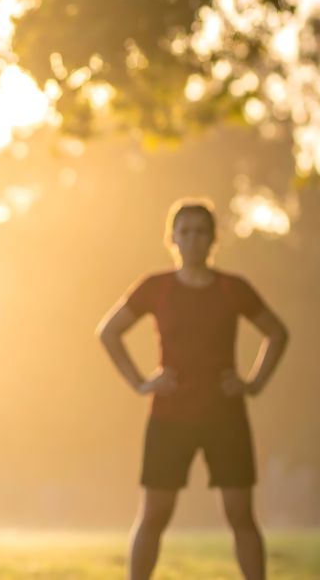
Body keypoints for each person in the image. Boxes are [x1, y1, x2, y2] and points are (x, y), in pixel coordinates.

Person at [96, 198, 289, 580]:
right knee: (154, 514)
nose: (193, 239)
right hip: (169, 415)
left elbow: (277, 333)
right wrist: (140, 382)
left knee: (240, 514)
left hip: (225, 415)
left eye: (202, 231)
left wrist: (253, 383)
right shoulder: (156, 288)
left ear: (213, 239)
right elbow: (109, 332)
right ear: (173, 238)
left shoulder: (233, 289)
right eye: (185, 231)